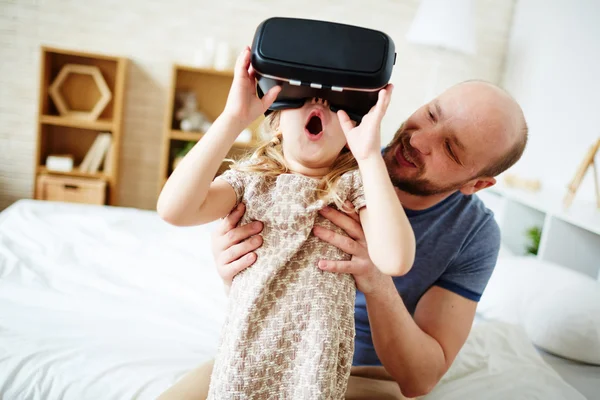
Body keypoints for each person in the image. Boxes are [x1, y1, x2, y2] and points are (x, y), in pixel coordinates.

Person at [157, 77, 528, 400]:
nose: (419, 139)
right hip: (265, 351)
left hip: (370, 376)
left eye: (450, 148)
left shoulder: (473, 233)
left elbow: (420, 379)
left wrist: (375, 279)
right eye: (432, 114)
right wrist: (234, 273)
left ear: (476, 184)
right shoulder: (332, 154)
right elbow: (180, 208)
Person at [157, 46, 416, 399]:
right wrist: (234, 117)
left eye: (332, 103)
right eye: (303, 97)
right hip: (248, 351)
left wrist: (369, 155)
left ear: (350, 133)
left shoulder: (354, 185)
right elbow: (175, 209)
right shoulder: (249, 181)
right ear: (275, 121)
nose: (319, 105)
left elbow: (395, 260)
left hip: (314, 362)